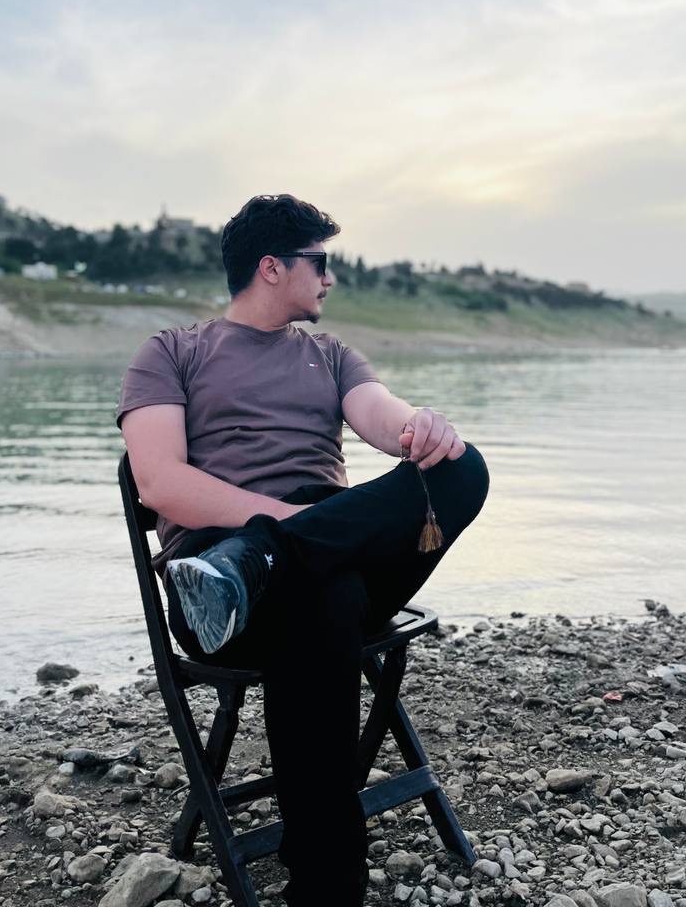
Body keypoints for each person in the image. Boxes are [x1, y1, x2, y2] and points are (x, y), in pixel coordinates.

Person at [117, 194, 489, 906]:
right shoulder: (170, 353)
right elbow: (159, 482)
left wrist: (422, 429)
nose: (331, 278)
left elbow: (382, 416)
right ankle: (328, 887)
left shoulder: (332, 355)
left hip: (305, 556)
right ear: (271, 267)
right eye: (320, 263)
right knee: (328, 596)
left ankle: (267, 556)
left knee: (463, 467)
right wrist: (292, 522)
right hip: (220, 594)